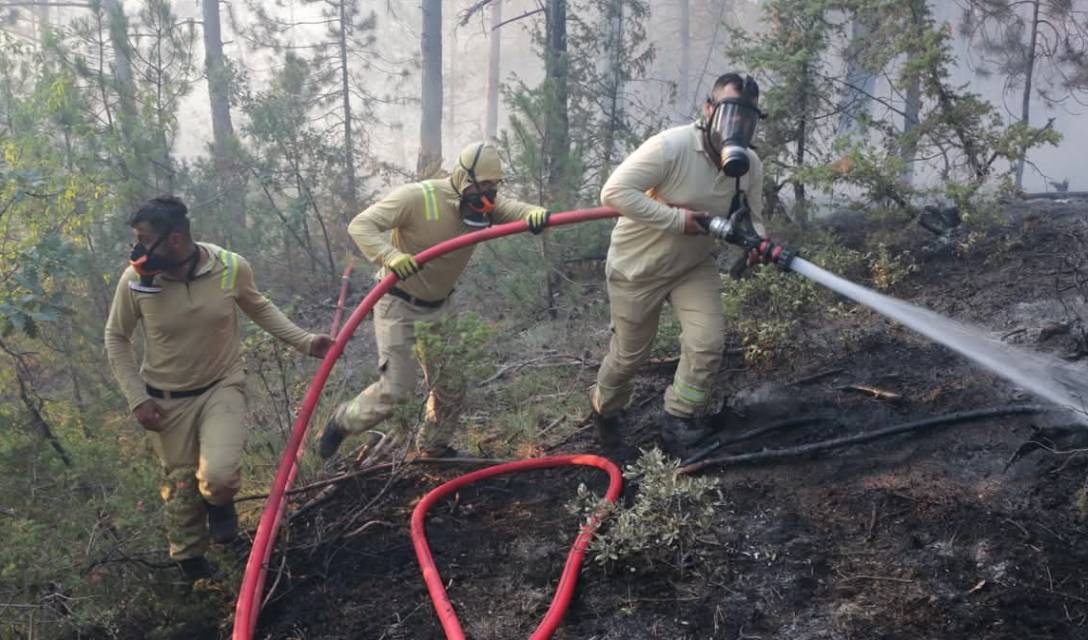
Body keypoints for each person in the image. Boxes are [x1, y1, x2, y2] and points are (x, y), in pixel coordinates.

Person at [104, 196, 333, 581]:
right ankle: (192, 564)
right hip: (165, 399)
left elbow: (258, 306)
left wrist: (305, 341)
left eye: (145, 239)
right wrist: (137, 399)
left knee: (219, 477)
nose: (137, 250)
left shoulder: (229, 267)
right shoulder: (135, 281)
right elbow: (116, 337)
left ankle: (220, 503)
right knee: (180, 487)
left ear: (175, 240)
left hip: (221, 385)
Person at [317, 141, 549, 459]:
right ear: (464, 178)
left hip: (440, 306)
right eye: (483, 185)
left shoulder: (486, 204)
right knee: (397, 389)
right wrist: (390, 256)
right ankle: (341, 422)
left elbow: (515, 210)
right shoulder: (418, 197)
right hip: (398, 303)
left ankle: (432, 446)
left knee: (451, 386)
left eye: (494, 186)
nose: (489, 194)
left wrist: (534, 214)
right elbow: (361, 225)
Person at [591, 72, 779, 456]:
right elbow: (613, 192)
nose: (737, 126)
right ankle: (605, 411)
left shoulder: (750, 166)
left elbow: (753, 217)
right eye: (730, 114)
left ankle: (678, 419)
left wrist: (757, 241)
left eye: (747, 117)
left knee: (707, 343)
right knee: (629, 357)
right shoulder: (671, 147)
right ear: (708, 110)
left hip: (694, 266)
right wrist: (678, 220)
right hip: (638, 268)